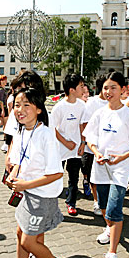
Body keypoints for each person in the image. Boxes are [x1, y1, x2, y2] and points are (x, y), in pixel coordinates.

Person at [82, 71, 129, 258]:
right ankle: (109, 229)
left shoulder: (128, 115)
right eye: (105, 88)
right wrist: (96, 152)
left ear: (123, 90)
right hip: (100, 167)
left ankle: (112, 254)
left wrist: (122, 158)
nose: (108, 92)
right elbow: (89, 138)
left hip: (119, 170)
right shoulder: (99, 113)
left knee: (114, 209)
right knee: (102, 206)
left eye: (113, 88)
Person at [6, 88, 68, 258]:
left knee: (28, 241)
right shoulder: (22, 131)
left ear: (39, 109)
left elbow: (56, 173)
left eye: (27, 105)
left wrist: (25, 184)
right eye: (17, 105)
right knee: (21, 234)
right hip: (28, 194)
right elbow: (18, 160)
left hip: (42, 197)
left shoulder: (46, 135)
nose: (20, 109)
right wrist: (13, 174)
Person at [51, 74, 85, 216]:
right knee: (56, 177)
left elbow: (83, 125)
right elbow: (52, 128)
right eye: (81, 86)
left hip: (76, 149)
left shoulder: (82, 105)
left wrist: (83, 143)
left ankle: (71, 203)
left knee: (74, 178)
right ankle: (51, 205)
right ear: (71, 89)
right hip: (60, 149)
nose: (83, 89)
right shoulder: (59, 107)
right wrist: (66, 142)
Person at [81, 75, 108, 215]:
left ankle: (104, 202)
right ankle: (97, 202)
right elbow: (85, 124)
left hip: (108, 149)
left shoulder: (116, 104)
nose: (109, 91)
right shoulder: (92, 103)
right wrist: (85, 142)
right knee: (94, 177)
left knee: (105, 178)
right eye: (106, 87)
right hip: (92, 148)